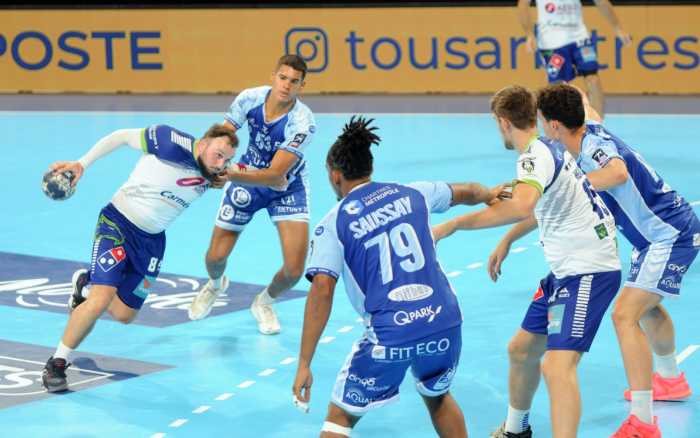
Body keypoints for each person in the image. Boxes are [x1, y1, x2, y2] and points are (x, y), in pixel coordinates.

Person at [292, 117, 503, 437]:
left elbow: (322, 290)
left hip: (390, 333)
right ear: (369, 167)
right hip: (443, 320)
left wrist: (304, 362)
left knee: (340, 417)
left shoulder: (333, 223)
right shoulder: (414, 192)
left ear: (335, 176)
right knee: (438, 396)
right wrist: (490, 193)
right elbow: (468, 191)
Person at [432, 85, 621, 438]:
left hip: (588, 272)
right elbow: (542, 206)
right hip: (567, 272)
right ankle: (516, 430)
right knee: (521, 350)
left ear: (503, 122)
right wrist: (508, 238)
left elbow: (521, 205)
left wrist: (452, 225)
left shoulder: (534, 156)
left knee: (556, 365)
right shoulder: (551, 148)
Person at [537, 83, 699, 438]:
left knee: (625, 314)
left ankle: (643, 422)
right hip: (653, 238)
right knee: (649, 307)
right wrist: (571, 91)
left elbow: (617, 173)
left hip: (668, 234)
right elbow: (582, 100)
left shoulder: (592, 147)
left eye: (541, 120)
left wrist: (575, 187)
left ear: (553, 125)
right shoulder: (588, 125)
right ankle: (670, 381)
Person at [42, 123, 238, 392]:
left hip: (152, 242)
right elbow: (121, 136)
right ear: (203, 144)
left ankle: (85, 284)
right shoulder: (170, 141)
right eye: (218, 155)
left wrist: (274, 179)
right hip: (118, 223)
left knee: (124, 314)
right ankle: (57, 363)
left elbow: (247, 173)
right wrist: (82, 163)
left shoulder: (214, 174)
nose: (221, 163)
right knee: (100, 300)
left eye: (227, 159)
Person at [188, 54, 316, 335]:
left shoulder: (303, 122)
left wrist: (229, 174)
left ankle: (264, 301)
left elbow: (275, 174)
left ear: (301, 87)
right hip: (246, 181)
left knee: (295, 271)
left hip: (285, 188)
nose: (286, 85)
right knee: (214, 258)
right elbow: (223, 135)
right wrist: (212, 161)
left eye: (294, 82)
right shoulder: (250, 99)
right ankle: (215, 284)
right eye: (283, 78)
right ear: (273, 77)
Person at [517, 0, 631, 117]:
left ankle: (597, 127)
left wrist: (618, 28)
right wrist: (529, 34)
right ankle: (555, 127)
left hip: (579, 37)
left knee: (593, 78)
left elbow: (601, 2)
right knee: (556, 87)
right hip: (551, 41)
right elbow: (523, 4)